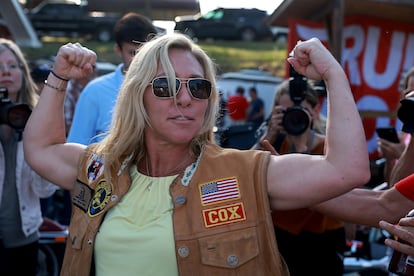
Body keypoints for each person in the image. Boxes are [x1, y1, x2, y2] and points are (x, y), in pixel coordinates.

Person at [23, 35, 370, 275]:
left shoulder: (242, 173)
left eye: (198, 86)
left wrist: (332, 74)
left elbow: (346, 169)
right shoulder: (101, 168)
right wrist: (59, 78)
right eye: (165, 86)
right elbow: (41, 149)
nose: (184, 98)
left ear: (209, 101)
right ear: (137, 96)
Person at [258, 79, 346, 275]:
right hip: (279, 236)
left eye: (301, 110)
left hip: (321, 241)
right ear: (275, 112)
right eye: (286, 111)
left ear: (314, 112)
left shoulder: (328, 148)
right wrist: (267, 136)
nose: (294, 116)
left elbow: (312, 192)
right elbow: (242, 176)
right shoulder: (272, 144)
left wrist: (301, 148)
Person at [0, 38, 58, 275]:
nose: (6, 72)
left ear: (23, 73)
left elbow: (45, 191)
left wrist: (35, 139)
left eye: (13, 66)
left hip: (24, 236)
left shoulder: (37, 119)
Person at [67, 12, 157, 145]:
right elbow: (75, 149)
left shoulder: (167, 90)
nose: (140, 59)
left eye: (146, 53)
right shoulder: (94, 92)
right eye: (133, 53)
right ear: (118, 50)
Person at [378, 67, 414, 184]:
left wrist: (402, 154)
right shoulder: (406, 135)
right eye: (410, 94)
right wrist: (390, 159)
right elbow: (392, 187)